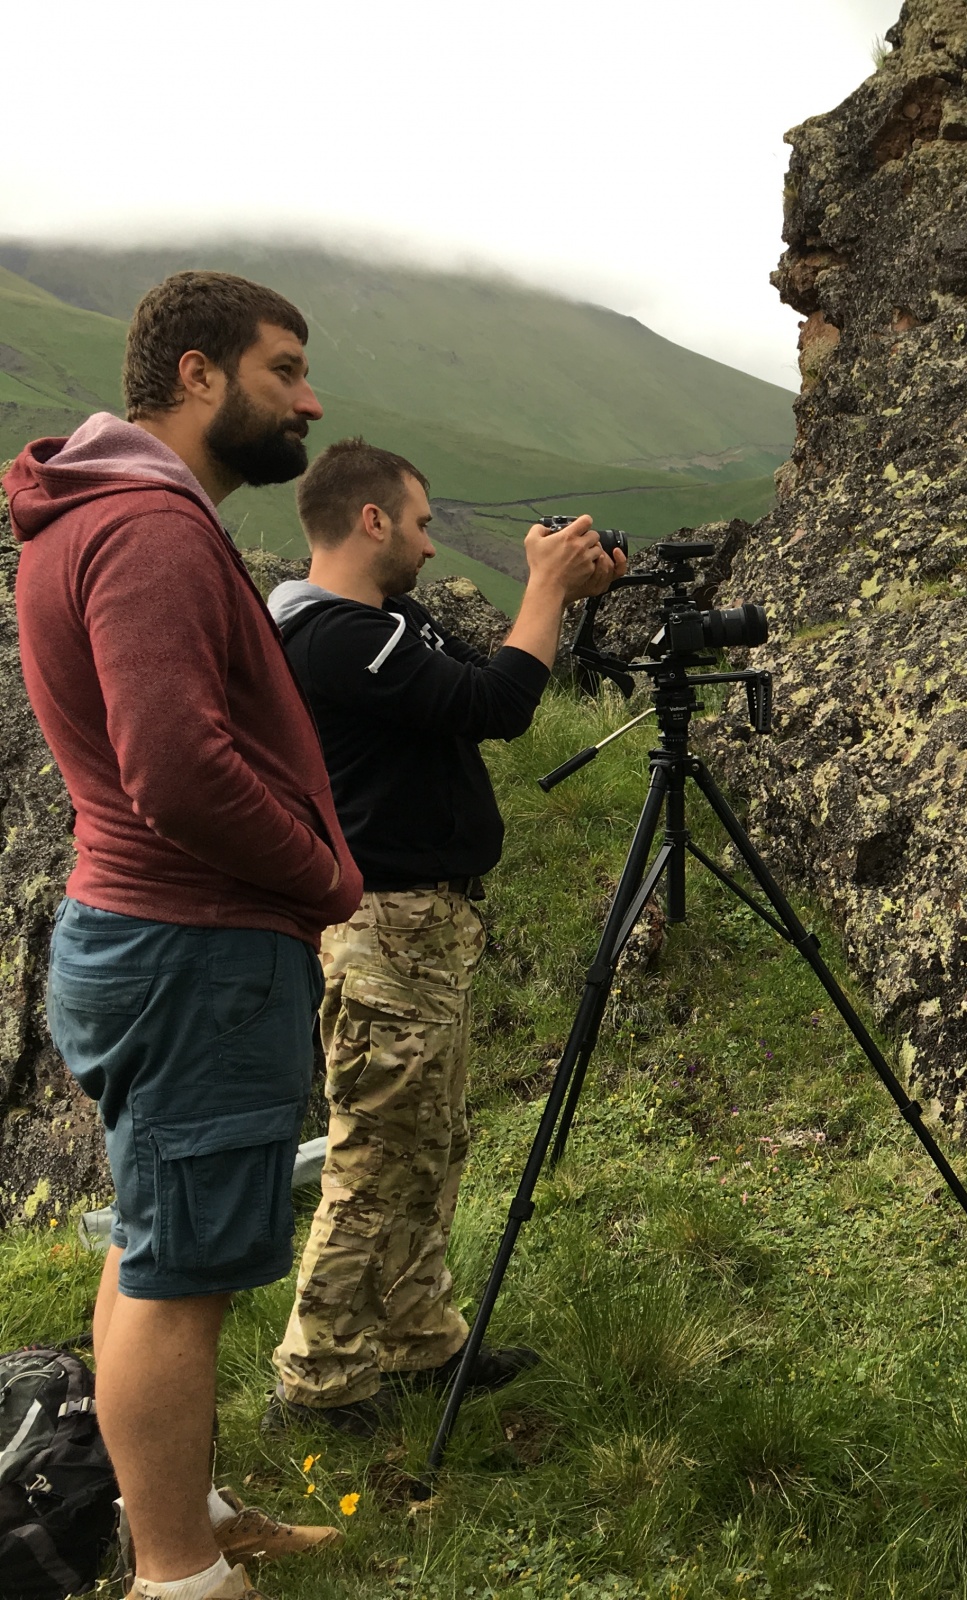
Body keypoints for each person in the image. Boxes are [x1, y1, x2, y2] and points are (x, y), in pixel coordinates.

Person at [6, 271, 362, 1600]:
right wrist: (323, 875)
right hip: (190, 944)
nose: (310, 401)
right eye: (285, 371)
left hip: (141, 935)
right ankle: (180, 1577)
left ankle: (184, 1507)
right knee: (176, 1275)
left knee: (153, 1247)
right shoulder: (151, 531)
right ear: (198, 374)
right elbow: (174, 766)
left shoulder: (87, 516)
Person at [261, 439, 622, 1434]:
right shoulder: (332, 638)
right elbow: (497, 705)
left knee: (433, 1140)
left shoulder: (390, 622)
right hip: (386, 926)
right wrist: (544, 584)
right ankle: (318, 1379)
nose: (429, 544)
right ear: (371, 519)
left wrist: (568, 597)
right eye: (420, 523)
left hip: (429, 923)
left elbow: (490, 674)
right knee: (378, 1151)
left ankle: (420, 1338)